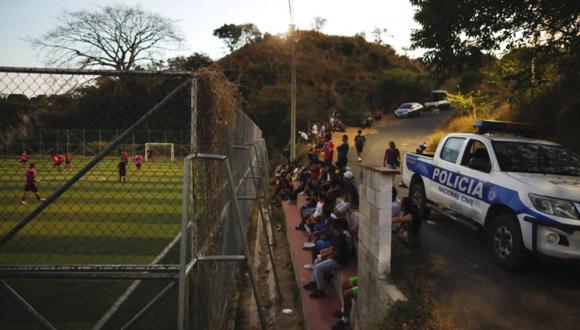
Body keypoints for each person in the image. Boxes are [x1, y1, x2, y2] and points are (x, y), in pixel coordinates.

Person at [303, 220, 352, 298]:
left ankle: (321, 290)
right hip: (335, 258)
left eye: (332, 226)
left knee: (318, 268)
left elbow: (338, 253)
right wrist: (326, 251)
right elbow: (333, 248)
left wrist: (326, 257)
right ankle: (314, 282)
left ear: (336, 228)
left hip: (339, 261)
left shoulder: (341, 238)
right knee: (316, 261)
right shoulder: (336, 235)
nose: (331, 227)